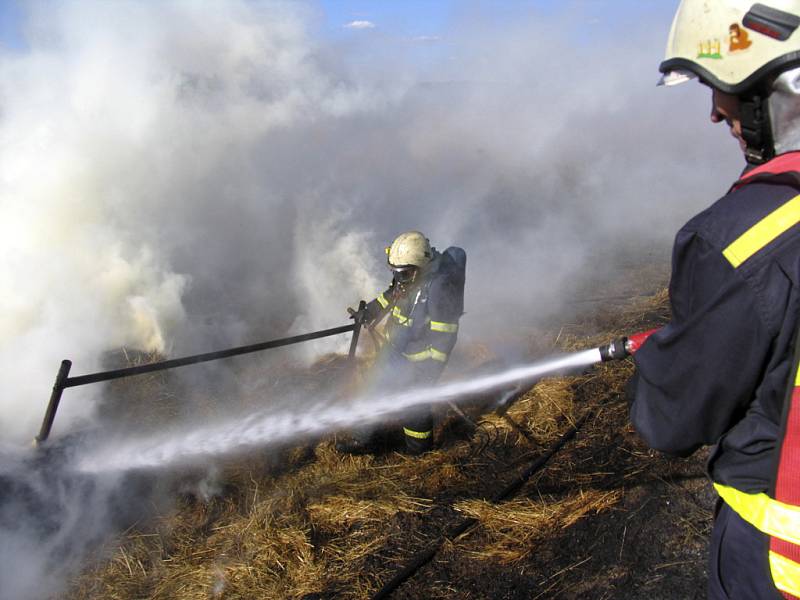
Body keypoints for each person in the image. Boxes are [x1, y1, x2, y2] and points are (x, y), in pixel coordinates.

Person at [628, 2, 800, 598]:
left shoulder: (739, 239)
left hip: (777, 567)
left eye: (724, 90)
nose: (713, 114)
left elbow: (672, 421)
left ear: (780, 89)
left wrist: (670, 354)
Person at [339, 230, 466, 455]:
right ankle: (364, 439)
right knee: (374, 388)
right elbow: (391, 294)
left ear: (421, 267)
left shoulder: (439, 289)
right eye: (395, 273)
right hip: (395, 348)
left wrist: (427, 372)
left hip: (420, 359)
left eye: (404, 274)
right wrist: (369, 311)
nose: (399, 279)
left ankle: (419, 453)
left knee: (414, 406)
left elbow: (446, 335)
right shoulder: (409, 276)